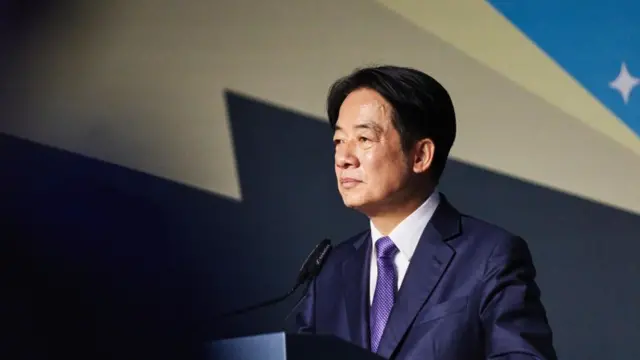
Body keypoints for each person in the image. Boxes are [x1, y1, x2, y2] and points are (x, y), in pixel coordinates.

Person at [291, 65, 557, 359]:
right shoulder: (330, 271)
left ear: (420, 156)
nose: (343, 158)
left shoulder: (490, 257)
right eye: (339, 141)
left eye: (364, 139)